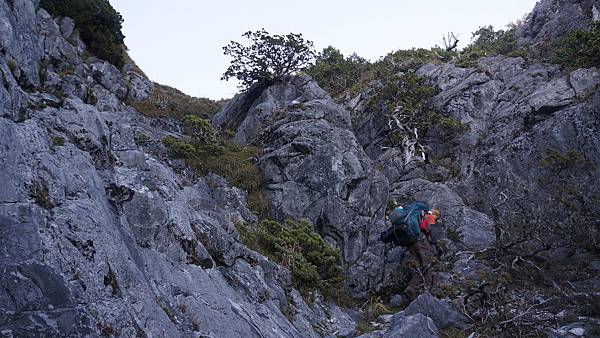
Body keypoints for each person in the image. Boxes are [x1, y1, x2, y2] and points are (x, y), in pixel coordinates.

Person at [403, 208, 441, 300]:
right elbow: (432, 234)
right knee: (431, 265)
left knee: (419, 267)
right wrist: (438, 248)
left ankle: (411, 289)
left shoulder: (419, 215)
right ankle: (430, 292)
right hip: (422, 243)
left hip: (411, 244)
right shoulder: (431, 216)